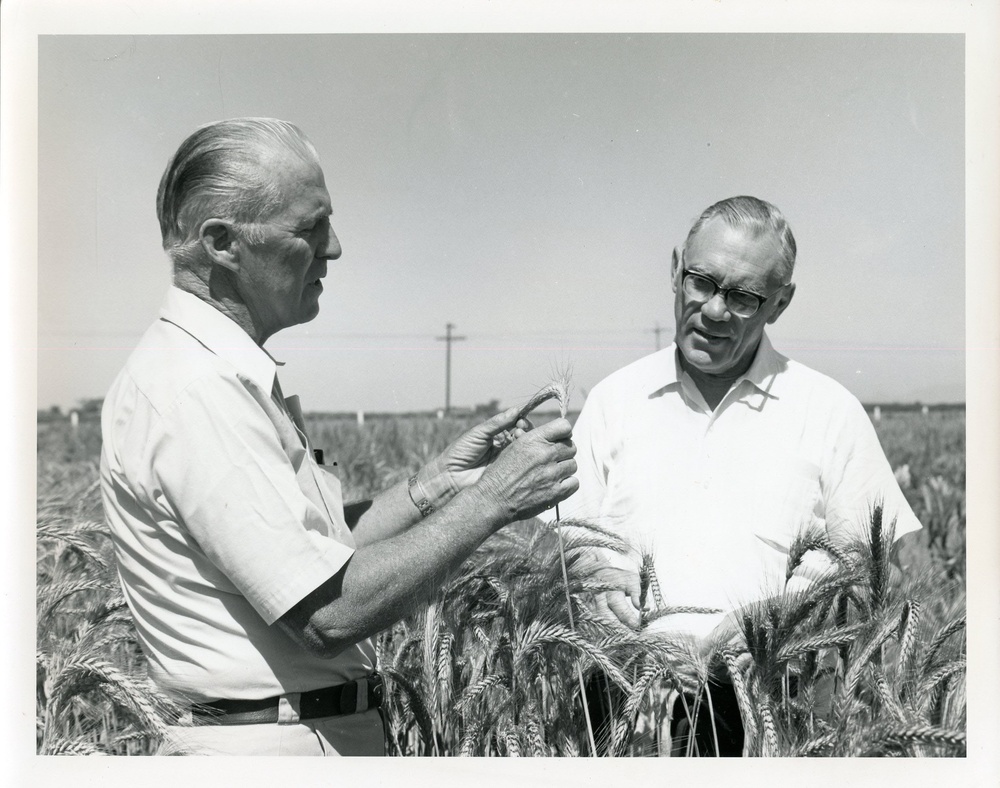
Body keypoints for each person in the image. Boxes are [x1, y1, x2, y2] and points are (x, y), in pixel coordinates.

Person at [99, 118, 579, 756]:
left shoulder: (206, 374)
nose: (335, 249)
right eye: (310, 228)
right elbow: (327, 612)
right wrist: (492, 499)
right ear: (222, 243)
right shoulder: (195, 390)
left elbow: (307, 555)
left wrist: (434, 488)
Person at [560, 195, 922, 755]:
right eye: (700, 281)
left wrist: (789, 616)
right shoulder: (613, 401)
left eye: (743, 296)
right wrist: (594, 583)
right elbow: (566, 541)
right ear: (676, 268)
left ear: (780, 303)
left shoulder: (830, 411)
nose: (713, 310)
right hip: (623, 717)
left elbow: (868, 563)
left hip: (775, 723)